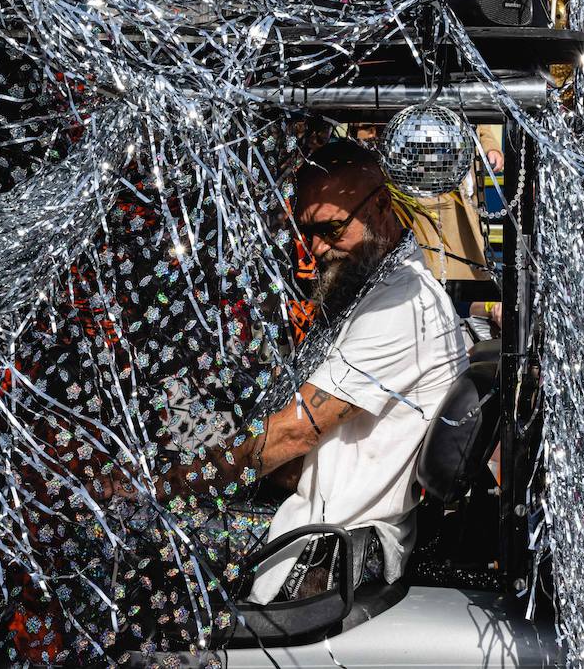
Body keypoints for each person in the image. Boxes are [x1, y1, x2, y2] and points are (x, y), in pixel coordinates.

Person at [171, 140, 469, 604]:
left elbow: (294, 436)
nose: (315, 249)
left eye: (331, 229)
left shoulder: (401, 307)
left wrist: (174, 483)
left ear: (385, 208)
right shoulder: (376, 285)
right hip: (311, 517)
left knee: (119, 528)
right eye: (307, 231)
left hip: (323, 546)